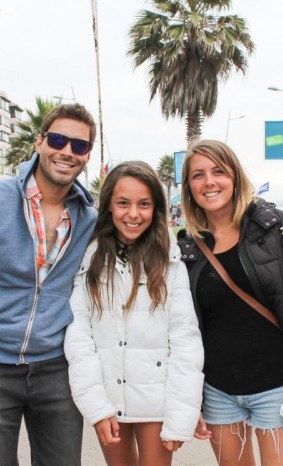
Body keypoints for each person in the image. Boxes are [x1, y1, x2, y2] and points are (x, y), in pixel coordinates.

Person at [0, 103, 99, 465]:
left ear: (87, 155)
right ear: (40, 142)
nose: (67, 152)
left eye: (79, 146)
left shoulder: (89, 218)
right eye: (59, 140)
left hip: (57, 370)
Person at [177, 140, 283, 466]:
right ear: (188, 187)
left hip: (276, 387)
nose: (209, 182)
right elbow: (182, 328)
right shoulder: (187, 246)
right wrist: (190, 398)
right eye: (198, 175)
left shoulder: (273, 226)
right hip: (218, 392)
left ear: (235, 177)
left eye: (218, 171)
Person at [65, 161, 204, 466]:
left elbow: (185, 340)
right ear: (109, 207)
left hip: (157, 398)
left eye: (144, 204)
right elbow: (78, 337)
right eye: (123, 203)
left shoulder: (171, 260)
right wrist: (96, 407)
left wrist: (181, 416)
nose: (133, 214)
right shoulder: (90, 257)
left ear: (155, 208)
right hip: (110, 395)